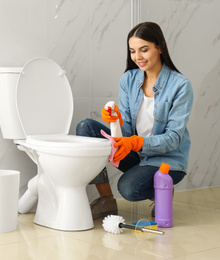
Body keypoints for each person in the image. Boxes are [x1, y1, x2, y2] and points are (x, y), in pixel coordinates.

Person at [76, 22, 193, 220]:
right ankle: (106, 200)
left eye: (144, 50)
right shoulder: (129, 79)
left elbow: (173, 139)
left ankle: (163, 189)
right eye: (132, 51)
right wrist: (116, 120)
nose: (137, 57)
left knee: (129, 189)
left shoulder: (181, 86)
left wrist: (136, 142)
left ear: (160, 47)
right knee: (86, 127)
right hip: (136, 153)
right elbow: (127, 131)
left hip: (166, 161)